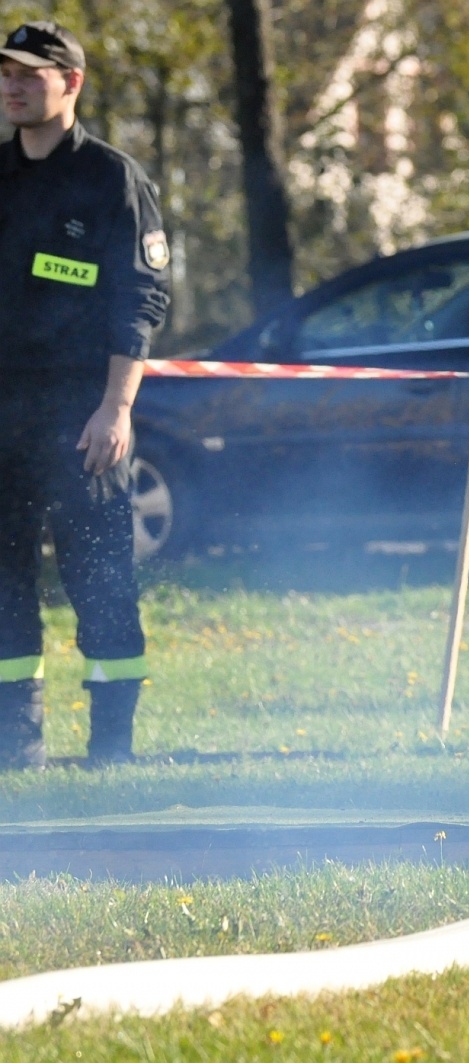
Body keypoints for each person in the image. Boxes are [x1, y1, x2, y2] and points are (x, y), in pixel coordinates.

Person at [0, 22, 171, 768]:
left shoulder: (111, 179)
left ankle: (111, 749)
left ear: (72, 83)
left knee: (99, 580)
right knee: (3, 588)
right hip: (3, 415)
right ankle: (17, 748)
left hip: (82, 413)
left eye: (31, 74)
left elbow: (140, 298)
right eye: (6, 73)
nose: (13, 85)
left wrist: (116, 407)